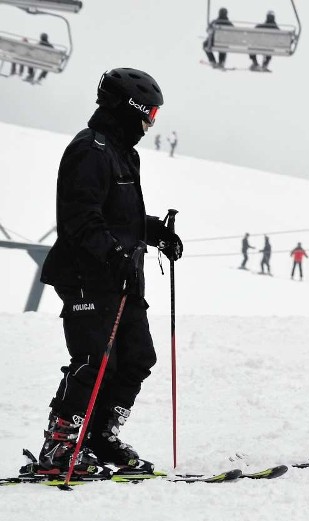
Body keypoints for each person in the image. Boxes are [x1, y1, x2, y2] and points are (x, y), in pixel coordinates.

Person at [36, 67, 183, 478]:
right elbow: (80, 220)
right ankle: (60, 446)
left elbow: (119, 217)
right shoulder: (90, 150)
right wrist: (113, 254)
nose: (150, 122)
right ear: (128, 107)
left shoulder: (121, 152)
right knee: (93, 360)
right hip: (88, 274)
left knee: (137, 358)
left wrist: (157, 232)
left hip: (122, 275)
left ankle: (98, 437)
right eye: (149, 112)